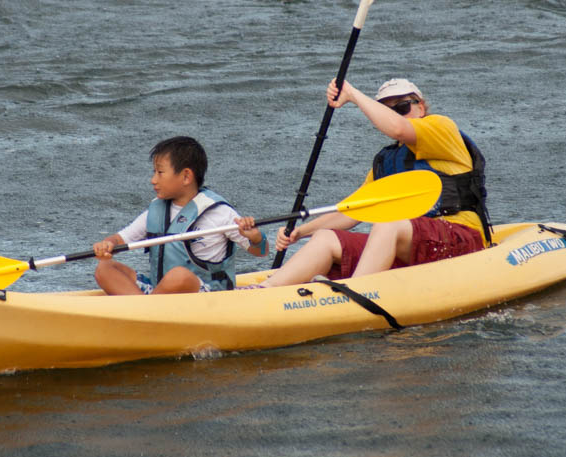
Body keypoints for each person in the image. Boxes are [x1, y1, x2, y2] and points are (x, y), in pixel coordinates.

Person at [255, 77, 491, 287]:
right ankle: (265, 291)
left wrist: (353, 94)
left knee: (387, 225)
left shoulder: (440, 127)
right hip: (409, 244)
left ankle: (354, 294)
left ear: (421, 106)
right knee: (325, 237)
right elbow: (354, 211)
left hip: (460, 237)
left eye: (402, 107)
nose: (396, 114)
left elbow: (398, 128)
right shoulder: (385, 160)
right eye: (387, 110)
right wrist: (300, 232)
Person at [93, 136, 268, 295]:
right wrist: (108, 244)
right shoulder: (157, 210)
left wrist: (256, 237)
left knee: (178, 277)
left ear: (186, 176)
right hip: (160, 291)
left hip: (209, 294)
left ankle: (145, 311)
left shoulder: (219, 213)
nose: (153, 180)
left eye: (160, 173)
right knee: (105, 269)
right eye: (154, 172)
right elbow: (120, 238)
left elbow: (261, 251)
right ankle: (148, 311)